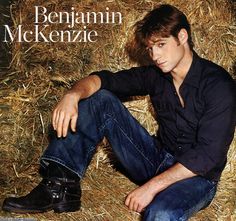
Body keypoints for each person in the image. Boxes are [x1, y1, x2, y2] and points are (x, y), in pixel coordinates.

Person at [2, 4, 235, 220]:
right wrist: (72, 95)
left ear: (182, 37)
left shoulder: (219, 86)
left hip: (196, 178)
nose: (155, 56)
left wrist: (151, 188)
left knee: (160, 212)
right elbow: (104, 80)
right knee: (100, 99)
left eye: (161, 45)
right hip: (157, 159)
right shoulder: (156, 75)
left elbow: (208, 156)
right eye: (150, 48)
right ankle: (59, 186)